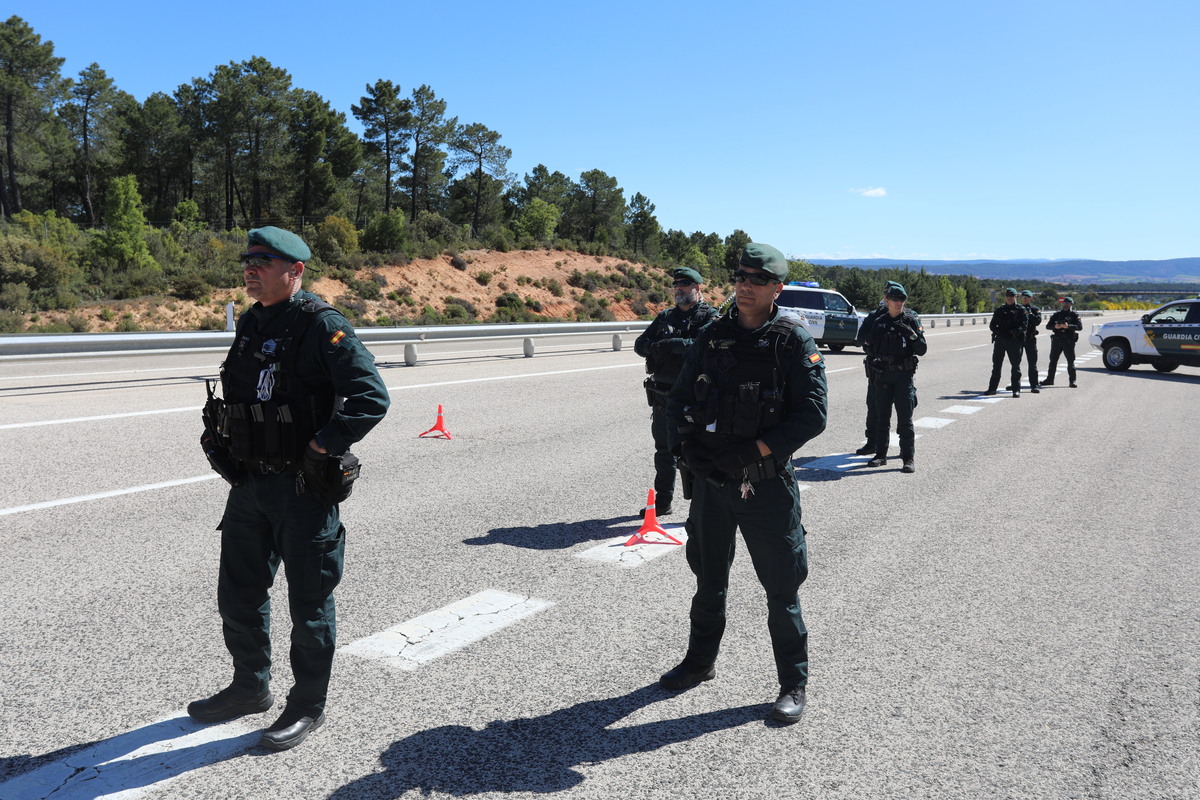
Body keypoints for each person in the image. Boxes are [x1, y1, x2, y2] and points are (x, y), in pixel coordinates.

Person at [191, 226, 390, 751]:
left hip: (302, 489)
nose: (251, 269)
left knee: (309, 602)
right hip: (251, 484)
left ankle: (306, 705)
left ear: (295, 271)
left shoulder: (321, 324)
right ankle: (249, 687)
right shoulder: (254, 321)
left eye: (264, 261)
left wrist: (323, 446)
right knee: (238, 593)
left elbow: (370, 397)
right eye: (248, 261)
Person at [662, 243, 828, 725]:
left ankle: (792, 682)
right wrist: (686, 451)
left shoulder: (791, 341)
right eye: (740, 277)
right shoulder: (712, 337)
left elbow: (811, 417)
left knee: (781, 588)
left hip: (764, 488)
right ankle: (699, 662)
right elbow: (677, 402)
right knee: (708, 579)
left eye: (757, 279)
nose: (746, 286)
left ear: (778, 287)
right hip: (712, 485)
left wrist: (750, 454)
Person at [633, 267, 718, 516]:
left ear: (697, 288)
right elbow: (640, 345)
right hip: (662, 396)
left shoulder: (710, 316)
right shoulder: (665, 317)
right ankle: (663, 502)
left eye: (685, 284)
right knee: (664, 451)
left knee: (697, 451)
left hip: (694, 398)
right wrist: (657, 346)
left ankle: (703, 507)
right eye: (676, 285)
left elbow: (707, 345)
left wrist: (676, 345)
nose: (678, 289)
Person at [860, 282, 926, 473]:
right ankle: (880, 455)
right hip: (882, 376)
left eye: (902, 299)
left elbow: (922, 350)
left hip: (903, 377)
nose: (899, 303)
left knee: (905, 420)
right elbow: (868, 347)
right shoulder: (879, 321)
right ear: (887, 300)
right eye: (895, 299)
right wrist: (871, 341)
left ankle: (908, 458)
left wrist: (913, 336)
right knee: (882, 418)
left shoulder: (911, 321)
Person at [854, 289, 889, 456]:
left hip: (900, 371)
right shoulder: (875, 316)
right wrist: (872, 338)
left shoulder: (908, 316)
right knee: (874, 408)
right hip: (877, 370)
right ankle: (872, 443)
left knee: (905, 409)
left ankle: (905, 447)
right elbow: (860, 338)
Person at [985, 288, 1027, 397]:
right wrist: (998, 331)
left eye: (1011, 296)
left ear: (1016, 297)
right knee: (996, 366)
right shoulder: (1000, 310)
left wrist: (1013, 332)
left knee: (1015, 367)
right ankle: (992, 389)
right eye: (1007, 296)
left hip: (1014, 341)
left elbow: (1024, 326)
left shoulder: (1021, 310)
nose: (1009, 298)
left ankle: (1016, 389)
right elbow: (992, 325)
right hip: (1000, 340)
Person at [1044, 296, 1083, 387]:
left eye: (1068, 303)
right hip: (1057, 340)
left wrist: (1068, 326)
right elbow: (1048, 326)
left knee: (1070, 361)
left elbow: (1079, 327)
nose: (1066, 305)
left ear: (1071, 305)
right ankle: (1050, 379)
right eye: (1065, 303)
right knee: (1053, 361)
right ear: (1062, 304)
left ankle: (1072, 381)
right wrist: (1055, 327)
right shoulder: (1056, 314)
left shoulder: (1074, 315)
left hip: (1068, 341)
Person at [1016, 290, 1042, 393]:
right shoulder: (1017, 308)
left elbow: (1037, 321)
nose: (1025, 298)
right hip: (1019, 339)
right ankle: (1015, 384)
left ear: (1031, 298)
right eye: (1023, 296)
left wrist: (1029, 313)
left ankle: (1034, 385)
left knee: (1032, 364)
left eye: (1027, 296)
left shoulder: (1035, 309)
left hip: (1030, 339)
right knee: (1016, 363)